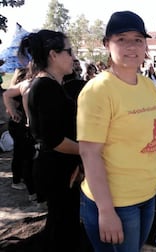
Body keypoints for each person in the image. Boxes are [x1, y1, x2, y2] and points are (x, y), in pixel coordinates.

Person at [77, 11, 156, 252]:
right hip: (117, 202)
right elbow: (89, 153)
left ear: (145, 46)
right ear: (106, 44)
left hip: (146, 195)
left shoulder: (147, 85)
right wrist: (106, 211)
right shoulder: (98, 91)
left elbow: (155, 139)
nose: (131, 46)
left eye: (138, 39)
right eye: (121, 39)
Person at [18, 29, 87, 252]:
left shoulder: (52, 85)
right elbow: (55, 139)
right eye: (69, 51)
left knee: (63, 225)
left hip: (60, 165)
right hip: (55, 169)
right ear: (53, 55)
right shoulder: (45, 87)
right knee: (62, 231)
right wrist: (88, 152)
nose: (73, 57)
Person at [2, 66, 36, 200]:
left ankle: (20, 178)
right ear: (21, 77)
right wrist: (14, 112)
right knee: (21, 154)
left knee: (20, 153)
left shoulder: (16, 90)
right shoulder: (18, 91)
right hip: (18, 126)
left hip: (18, 125)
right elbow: (9, 109)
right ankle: (18, 180)